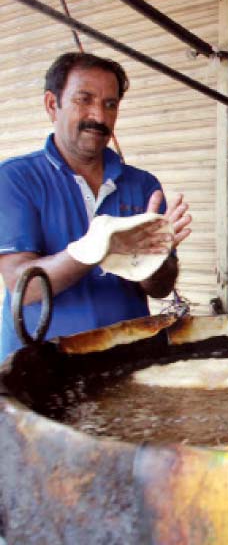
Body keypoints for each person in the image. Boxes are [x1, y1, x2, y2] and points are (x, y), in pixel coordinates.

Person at [0, 52, 192, 361]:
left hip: (125, 361)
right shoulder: (15, 178)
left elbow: (159, 288)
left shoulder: (143, 185)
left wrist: (149, 261)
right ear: (53, 105)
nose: (99, 117)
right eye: (84, 100)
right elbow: (26, 288)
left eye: (110, 104)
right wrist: (95, 248)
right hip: (42, 364)